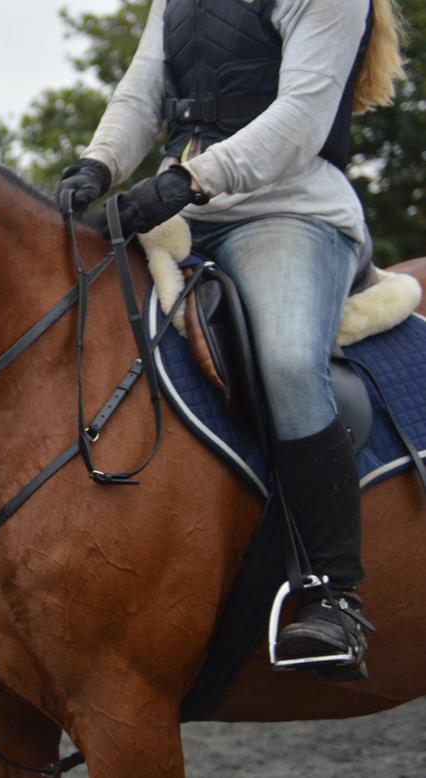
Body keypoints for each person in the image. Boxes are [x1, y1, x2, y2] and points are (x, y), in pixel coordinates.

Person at [54, 0, 407, 679]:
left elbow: (300, 119)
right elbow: (141, 91)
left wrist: (187, 180)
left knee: (285, 361)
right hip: (180, 211)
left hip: (288, 214)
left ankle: (332, 593)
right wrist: (98, 165)